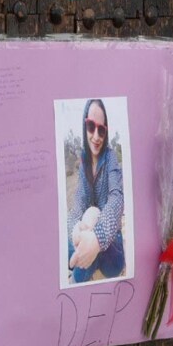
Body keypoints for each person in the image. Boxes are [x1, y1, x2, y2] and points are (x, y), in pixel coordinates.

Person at [66, 99, 126, 284]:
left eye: (102, 129)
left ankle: (75, 280)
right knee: (79, 232)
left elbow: (116, 197)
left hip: (111, 242)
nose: (96, 136)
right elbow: (79, 201)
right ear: (85, 126)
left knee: (93, 216)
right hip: (87, 228)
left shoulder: (110, 157)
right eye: (91, 126)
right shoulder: (84, 160)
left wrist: (97, 238)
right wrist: (75, 229)